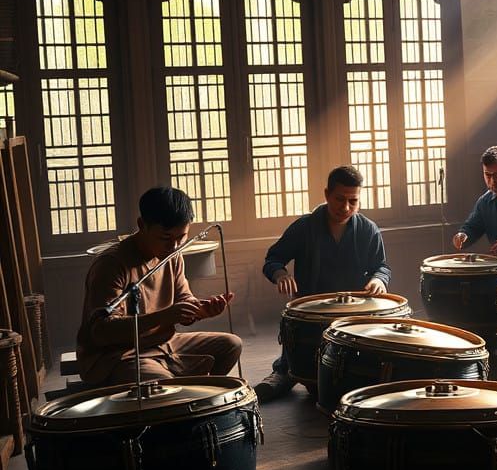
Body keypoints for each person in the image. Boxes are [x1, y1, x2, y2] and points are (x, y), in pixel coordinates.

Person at [78, 187, 240, 387]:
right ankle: (180, 392)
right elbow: (101, 331)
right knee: (163, 385)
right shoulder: (111, 264)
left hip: (163, 343)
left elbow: (184, 297)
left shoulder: (173, 256)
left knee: (231, 345)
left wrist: (199, 311)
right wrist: (163, 317)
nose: (174, 246)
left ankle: (193, 395)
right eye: (165, 238)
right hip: (120, 354)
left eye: (181, 237)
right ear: (142, 225)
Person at [256, 165, 391, 403]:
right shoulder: (304, 227)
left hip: (354, 314)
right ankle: (284, 371)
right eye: (339, 199)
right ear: (327, 194)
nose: (346, 207)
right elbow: (273, 259)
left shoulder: (367, 230)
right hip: (312, 313)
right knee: (309, 377)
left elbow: (381, 266)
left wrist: (378, 279)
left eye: (353, 201)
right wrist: (281, 275)